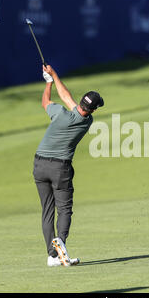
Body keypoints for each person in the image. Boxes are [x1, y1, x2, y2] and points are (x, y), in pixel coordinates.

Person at [33, 65, 104, 267]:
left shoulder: (60, 114)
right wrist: (53, 76)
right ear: (94, 109)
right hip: (59, 169)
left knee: (47, 210)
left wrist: (49, 81)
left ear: (80, 102)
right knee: (64, 209)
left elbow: (48, 101)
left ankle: (52, 256)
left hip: (39, 164)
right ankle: (60, 244)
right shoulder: (87, 121)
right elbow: (67, 98)